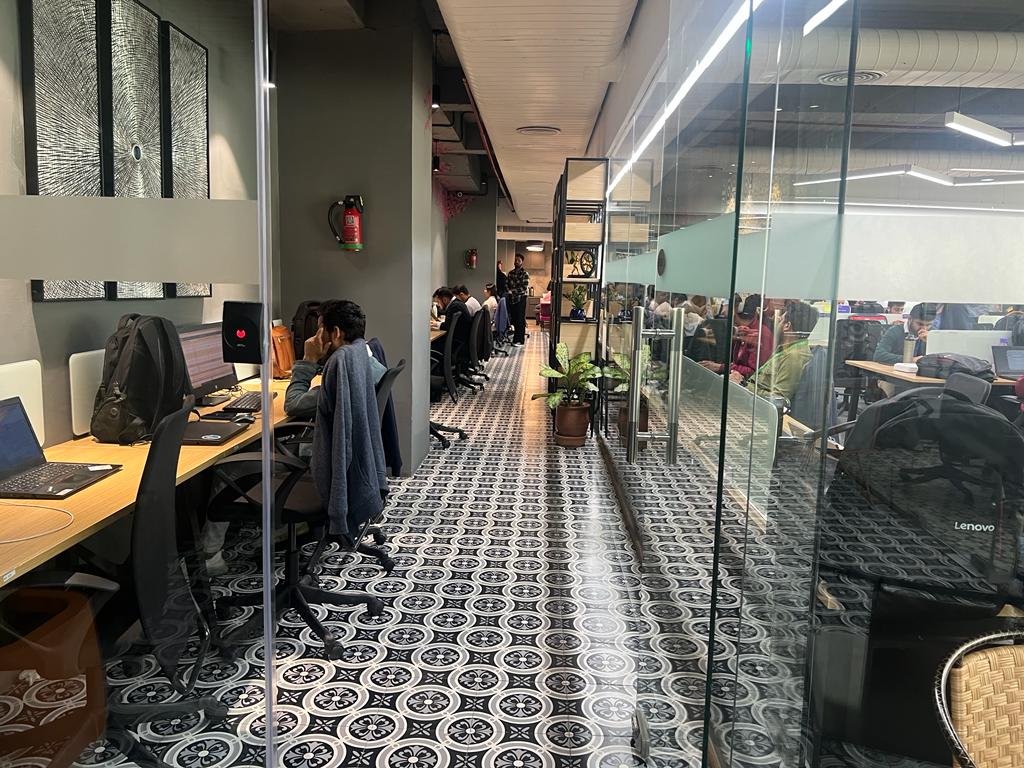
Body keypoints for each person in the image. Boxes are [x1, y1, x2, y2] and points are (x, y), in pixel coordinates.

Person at [286, 299, 387, 421]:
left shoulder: (345, 380)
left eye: (320, 329)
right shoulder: (367, 362)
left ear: (336, 333)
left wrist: (308, 360)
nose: (316, 336)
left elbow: (292, 404)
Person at [741, 300, 818, 403]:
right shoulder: (786, 350)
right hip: (752, 400)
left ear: (787, 326)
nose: (777, 320)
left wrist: (743, 385)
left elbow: (779, 400)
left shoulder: (793, 357)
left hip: (759, 407)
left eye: (781, 319)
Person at [701, 294, 774, 380]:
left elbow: (754, 373)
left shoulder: (761, 335)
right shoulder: (741, 331)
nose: (724, 312)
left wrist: (720, 367)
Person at [506, 253, 530, 346]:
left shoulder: (525, 274)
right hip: (512, 299)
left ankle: (520, 340)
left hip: (520, 299)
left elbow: (523, 288)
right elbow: (506, 284)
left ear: (522, 262)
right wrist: (509, 291)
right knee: (514, 320)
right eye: (515, 260)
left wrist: (512, 291)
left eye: (518, 260)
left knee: (520, 320)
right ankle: (515, 339)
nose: (516, 262)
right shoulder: (510, 273)